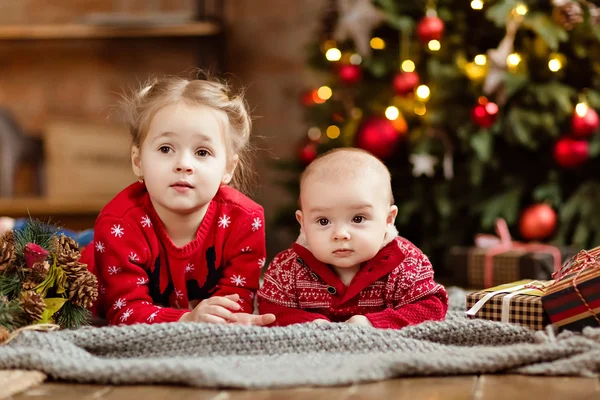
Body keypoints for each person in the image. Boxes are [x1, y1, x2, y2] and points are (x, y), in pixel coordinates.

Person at [80, 73, 275, 326]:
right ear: (138, 162)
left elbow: (235, 303)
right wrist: (186, 318)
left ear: (228, 168)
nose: (184, 164)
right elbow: (123, 313)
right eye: (165, 149)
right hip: (96, 260)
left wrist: (227, 317)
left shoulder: (245, 220)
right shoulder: (118, 223)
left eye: (202, 152)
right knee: (55, 253)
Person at [257, 148, 448, 328]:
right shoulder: (288, 268)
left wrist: (374, 323)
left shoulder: (406, 262)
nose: (340, 234)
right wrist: (309, 322)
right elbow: (271, 309)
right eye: (323, 221)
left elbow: (430, 308)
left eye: (358, 219)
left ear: (388, 219)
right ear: (303, 222)